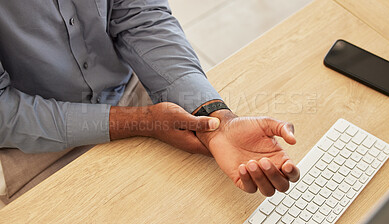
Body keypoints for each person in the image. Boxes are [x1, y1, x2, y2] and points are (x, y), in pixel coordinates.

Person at [0, 0, 300, 204]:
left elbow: (141, 17)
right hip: (27, 142)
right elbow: (4, 113)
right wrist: (142, 123)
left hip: (130, 94)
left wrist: (216, 118)